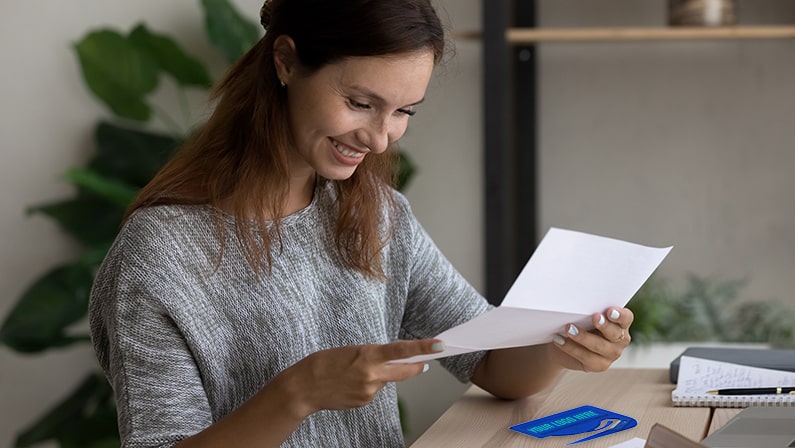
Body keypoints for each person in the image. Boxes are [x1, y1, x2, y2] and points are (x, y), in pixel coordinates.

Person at [88, 0, 635, 447]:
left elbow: (491, 365)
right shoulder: (160, 254)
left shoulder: (380, 213)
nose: (379, 139)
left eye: (403, 112)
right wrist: (299, 392)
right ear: (285, 61)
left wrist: (559, 347)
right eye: (359, 102)